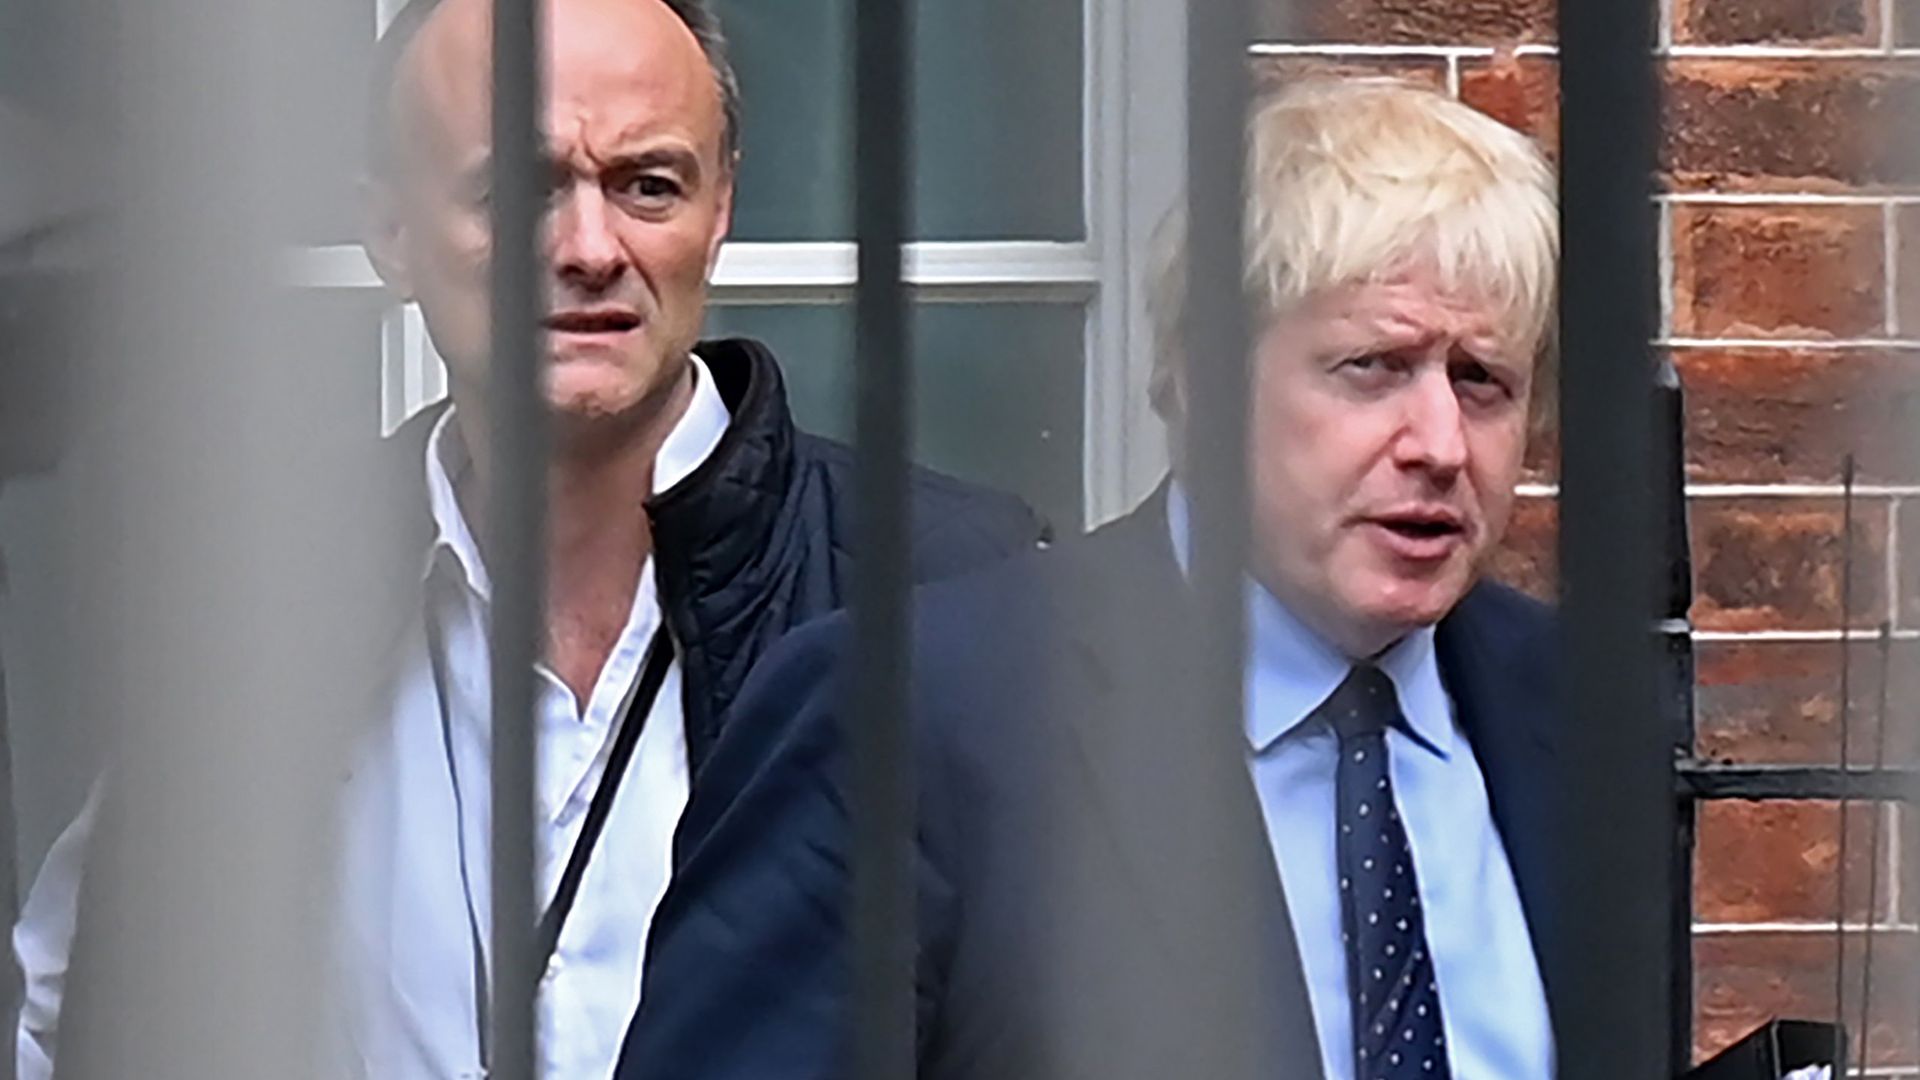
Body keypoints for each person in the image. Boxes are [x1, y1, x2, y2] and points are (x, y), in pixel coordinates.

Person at [11, 1, 1044, 1077]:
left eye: (649, 184)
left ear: (723, 207)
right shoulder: (260, 608)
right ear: (392, 234)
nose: (590, 248)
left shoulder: (950, 593)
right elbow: (72, 1014)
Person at [625, 78, 1562, 1080]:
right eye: (1372, 367)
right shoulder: (908, 717)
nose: (1439, 444)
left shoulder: (1566, 709)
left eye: (1482, 382)